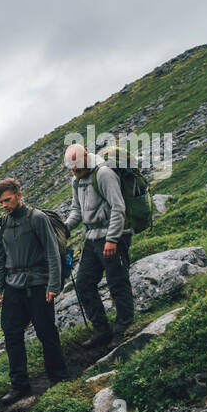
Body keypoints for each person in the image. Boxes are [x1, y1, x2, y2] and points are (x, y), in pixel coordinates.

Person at [0, 177, 69, 404]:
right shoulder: (0, 225)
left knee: (46, 331)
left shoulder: (37, 218)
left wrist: (54, 284)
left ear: (19, 194)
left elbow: (52, 252)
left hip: (39, 283)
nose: (4, 205)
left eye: (7, 200)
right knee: (11, 333)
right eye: (1, 202)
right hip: (13, 285)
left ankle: (59, 377)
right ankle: (19, 385)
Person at [63, 143, 135, 347]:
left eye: (76, 164)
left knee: (117, 282)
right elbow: (76, 210)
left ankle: (124, 327)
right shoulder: (76, 181)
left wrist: (112, 239)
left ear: (86, 156)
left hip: (114, 235)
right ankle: (102, 330)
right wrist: (65, 229)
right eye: (71, 166)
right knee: (84, 283)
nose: (74, 170)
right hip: (92, 237)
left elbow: (118, 206)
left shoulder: (103, 174)